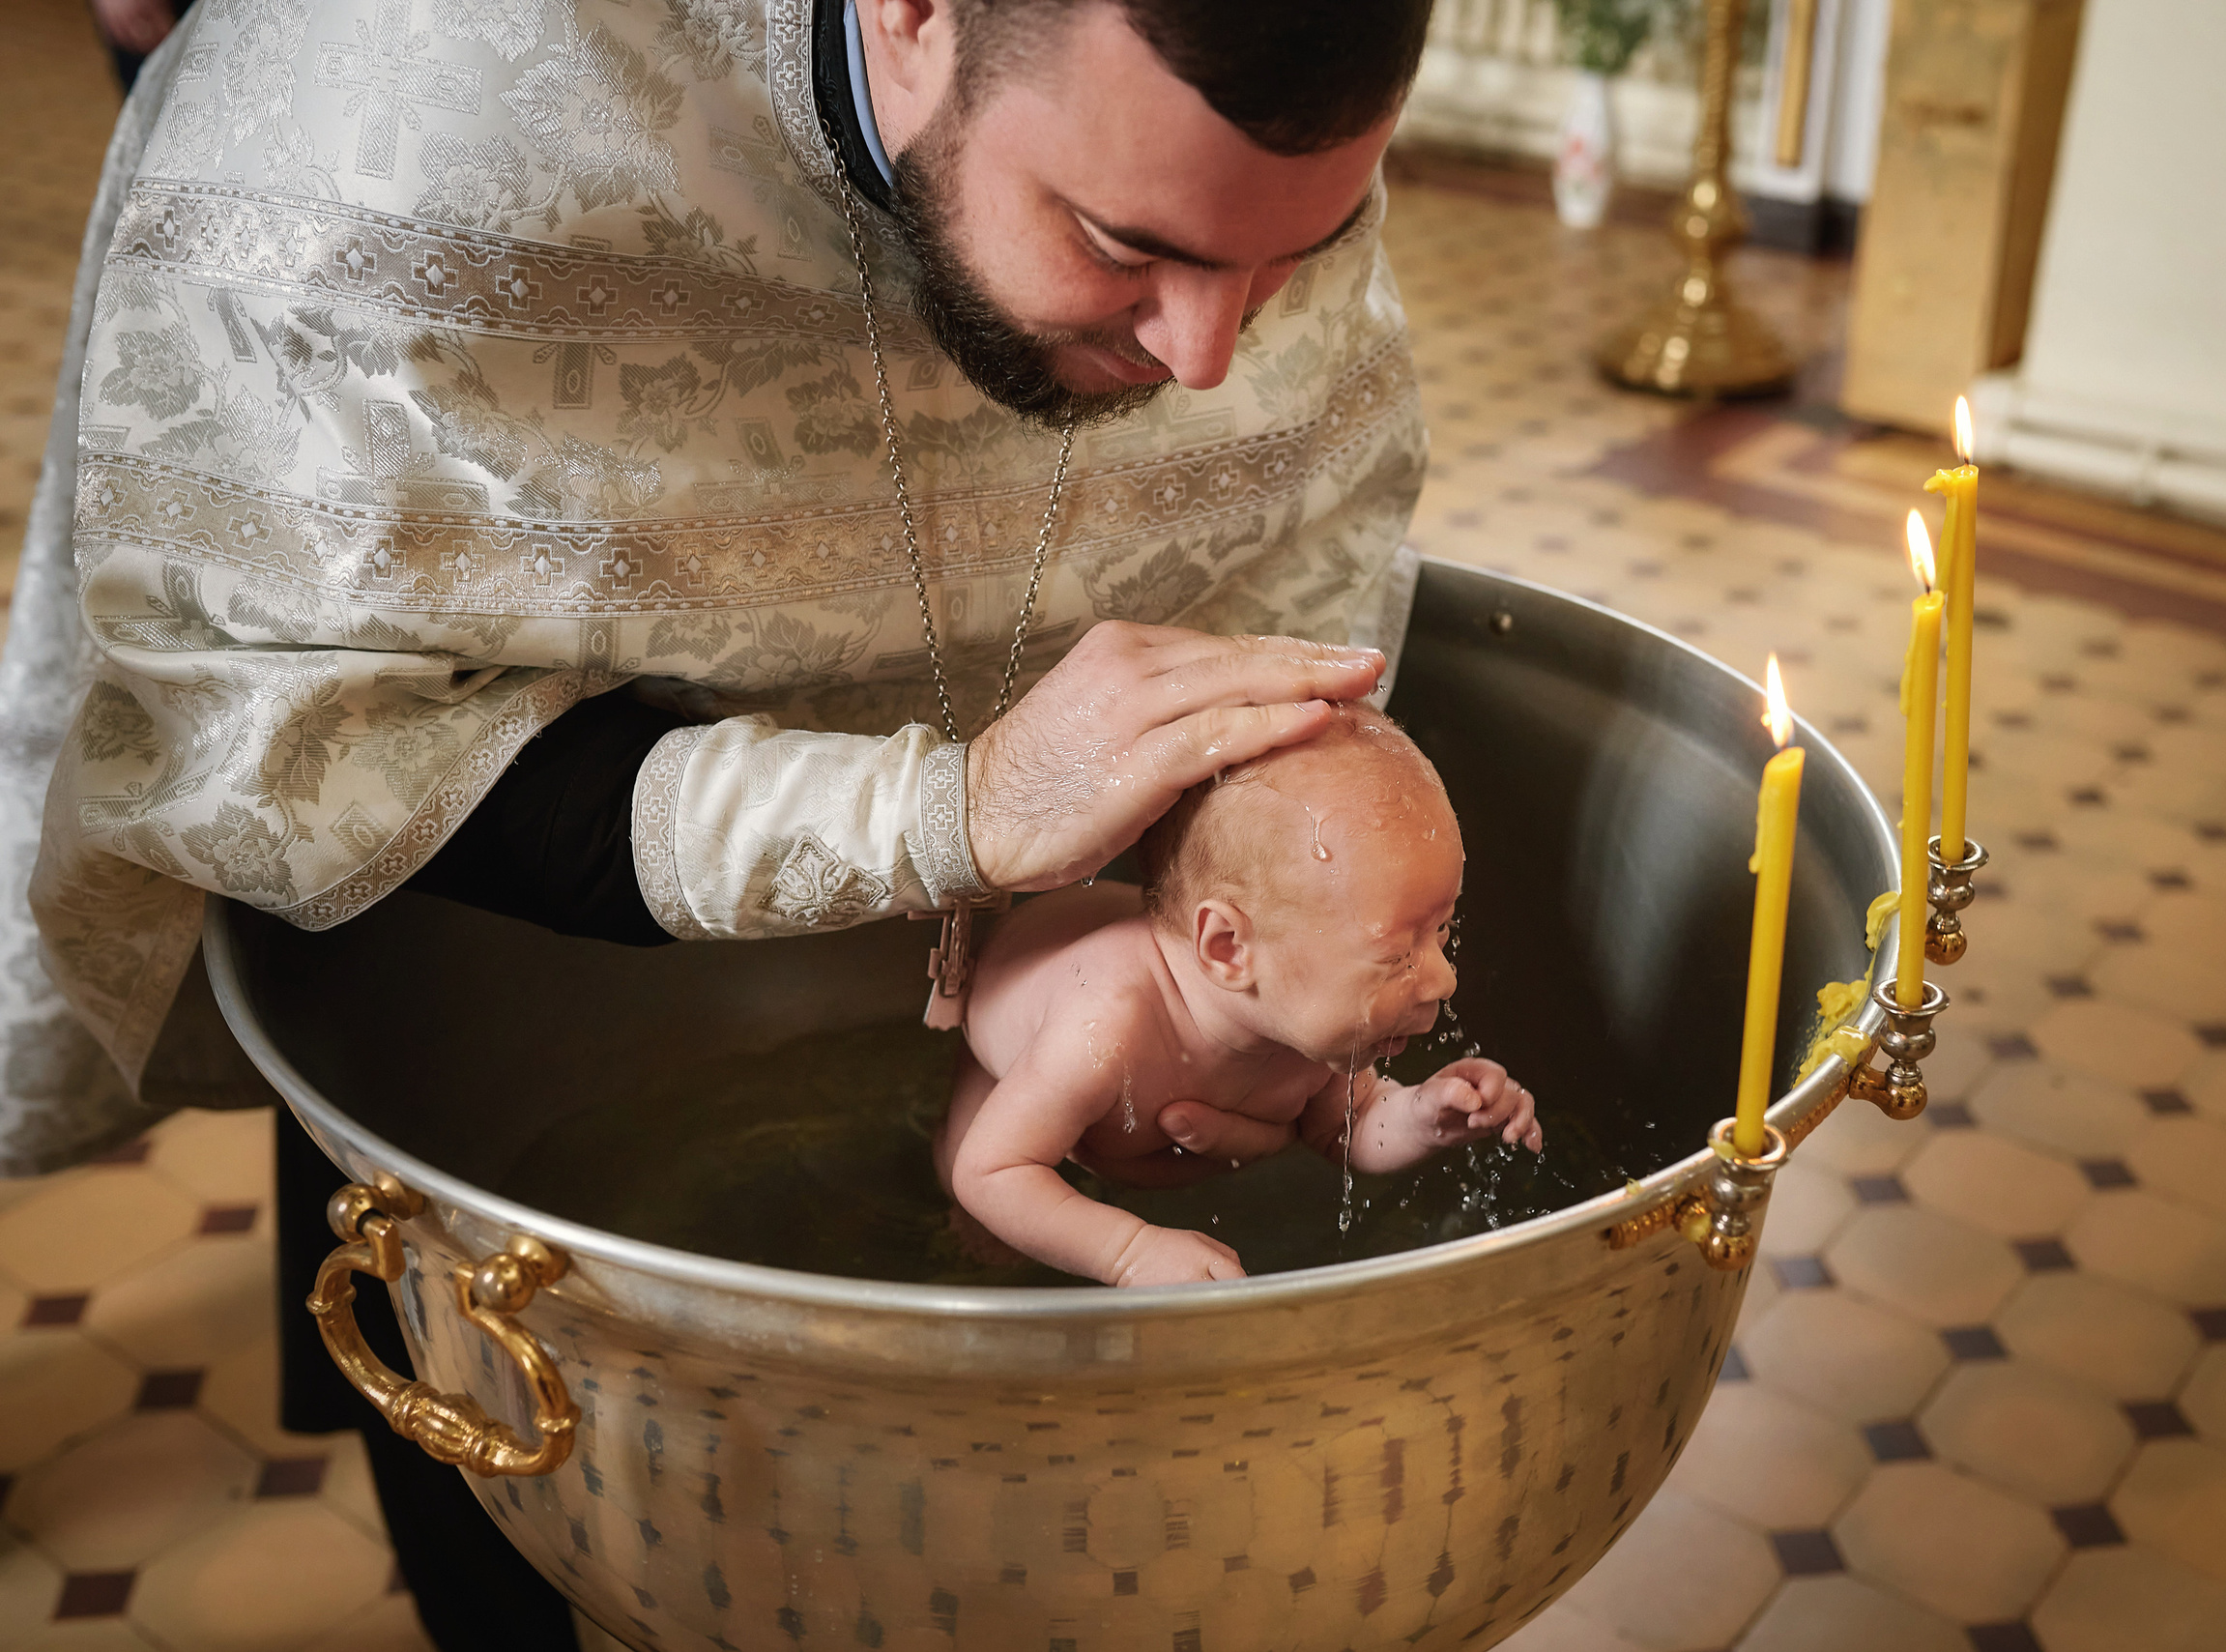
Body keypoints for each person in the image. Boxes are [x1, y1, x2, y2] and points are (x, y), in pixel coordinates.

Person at [0, 0, 1439, 1645]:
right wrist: (942, 808)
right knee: (487, 1415)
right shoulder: (401, 114)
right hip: (500, 935)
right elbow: (305, 726)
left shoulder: (1225, 194)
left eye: (1293, 260)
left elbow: (1292, 507)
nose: (1207, 358)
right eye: (1126, 243)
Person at [939, 704, 1542, 1287]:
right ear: (1228, 949)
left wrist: (1425, 1117)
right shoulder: (1103, 1030)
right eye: (1395, 955)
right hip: (1012, 1006)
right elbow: (992, 1170)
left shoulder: (1307, 1017)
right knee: (973, 1191)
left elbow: (1345, 1131)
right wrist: (1127, 1253)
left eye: (1442, 931)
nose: (1444, 979)